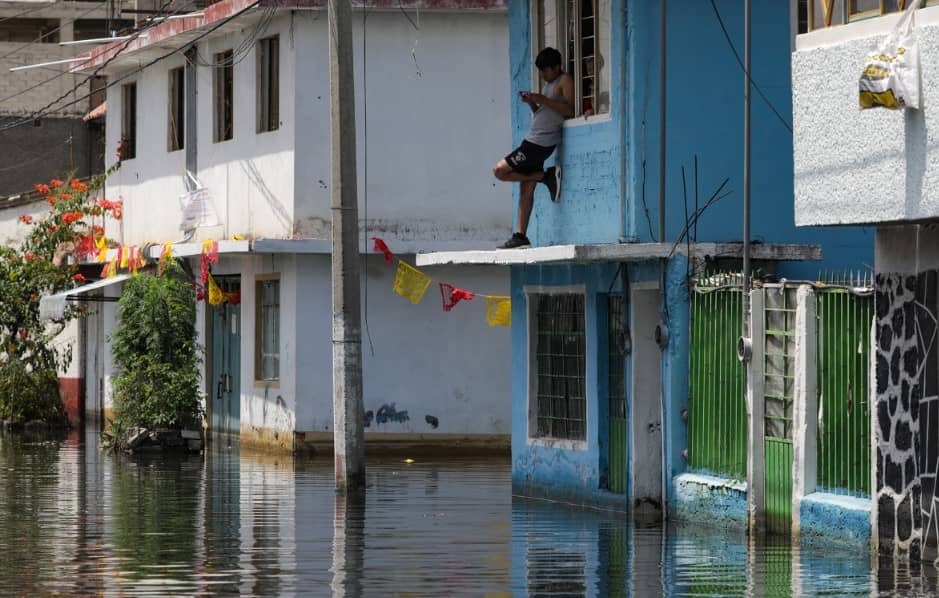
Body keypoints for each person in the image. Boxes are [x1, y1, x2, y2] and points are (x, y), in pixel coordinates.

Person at [492, 47, 574, 249]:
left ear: (556, 67)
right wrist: (532, 103)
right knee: (525, 187)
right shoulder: (549, 85)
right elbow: (546, 112)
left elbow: (570, 110)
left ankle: (543, 176)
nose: (543, 75)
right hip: (534, 140)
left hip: (539, 143)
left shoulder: (564, 81)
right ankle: (521, 236)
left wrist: (543, 99)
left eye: (545, 70)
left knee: (499, 171)